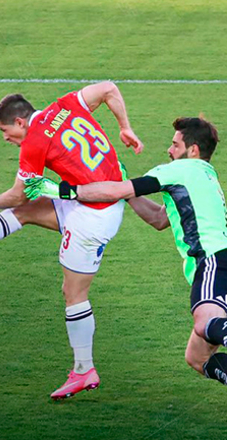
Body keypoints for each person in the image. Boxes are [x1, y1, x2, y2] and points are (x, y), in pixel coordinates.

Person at [0, 81, 143, 399]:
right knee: (27, 212)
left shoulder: (34, 143)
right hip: (103, 196)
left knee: (74, 293)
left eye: (5, 131)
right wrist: (125, 128)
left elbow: (16, 194)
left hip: (94, 217)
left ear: (20, 121)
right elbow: (108, 88)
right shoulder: (63, 106)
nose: (5, 138)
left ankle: (84, 369)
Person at [24, 117, 227, 386]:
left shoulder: (182, 170)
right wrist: (127, 191)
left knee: (205, 323)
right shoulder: (204, 176)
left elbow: (114, 190)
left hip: (212, 260)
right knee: (197, 357)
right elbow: (158, 219)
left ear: (193, 150)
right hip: (220, 260)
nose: (169, 150)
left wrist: (61, 190)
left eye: (175, 144)